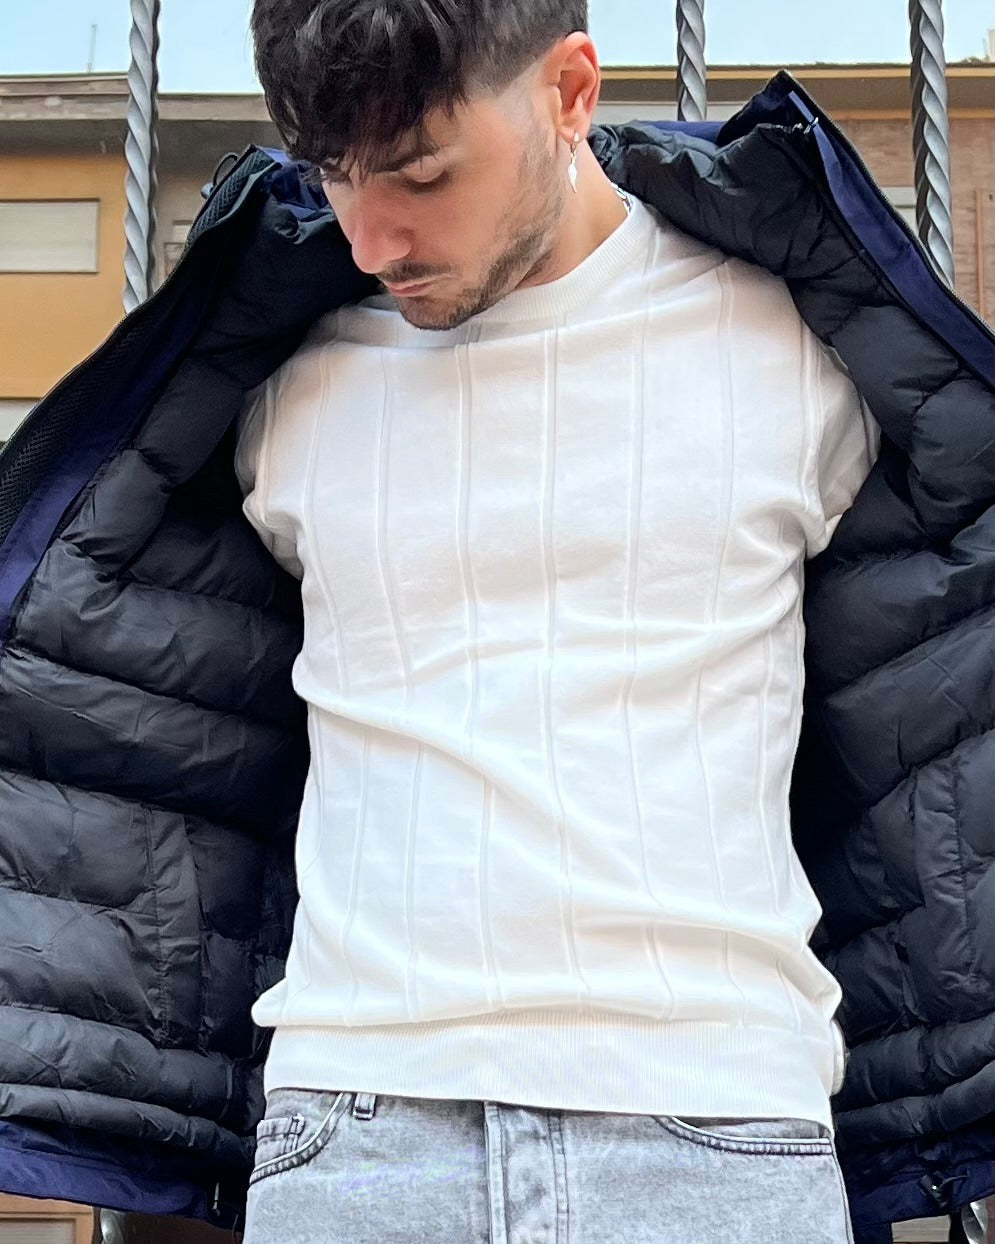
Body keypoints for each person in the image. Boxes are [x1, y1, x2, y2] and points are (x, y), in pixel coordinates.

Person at [232, 2, 880, 1240]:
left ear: (569, 92)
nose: (369, 239)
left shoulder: (796, 353)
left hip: (718, 1130)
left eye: (421, 173)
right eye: (333, 176)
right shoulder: (276, 389)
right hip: (354, 1130)